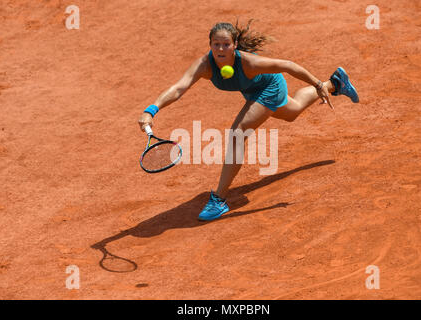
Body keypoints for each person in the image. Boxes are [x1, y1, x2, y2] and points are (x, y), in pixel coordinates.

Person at [138, 20, 359, 221]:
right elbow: (178, 88)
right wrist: (151, 110)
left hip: (270, 87)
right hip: (252, 92)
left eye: (226, 44)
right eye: (216, 44)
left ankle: (219, 199)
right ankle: (336, 83)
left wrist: (316, 84)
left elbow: (289, 65)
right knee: (293, 112)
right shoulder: (204, 65)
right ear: (210, 45)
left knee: (238, 132)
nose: (221, 49)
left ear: (235, 45)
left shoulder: (250, 63)